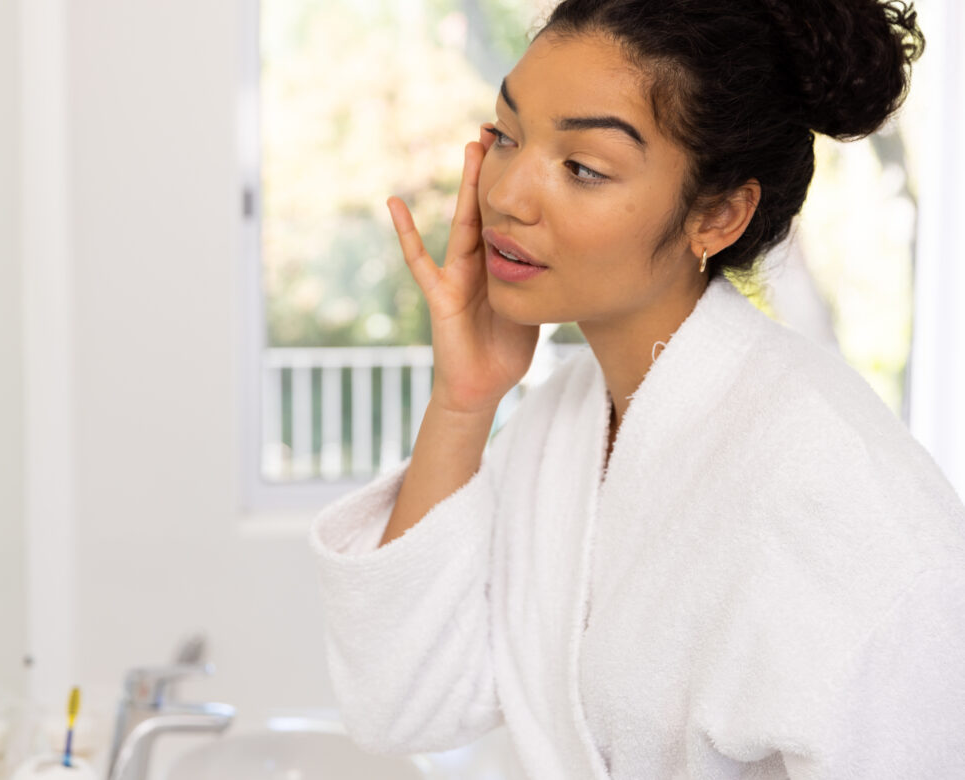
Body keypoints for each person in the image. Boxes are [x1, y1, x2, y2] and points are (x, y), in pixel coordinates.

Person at [308, 0, 965, 777]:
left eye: (583, 167)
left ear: (717, 215)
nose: (507, 194)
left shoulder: (842, 496)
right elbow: (404, 706)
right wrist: (463, 401)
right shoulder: (561, 425)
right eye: (506, 136)